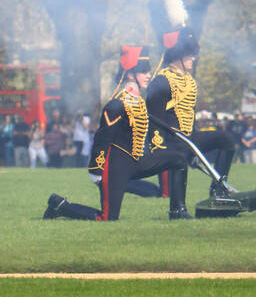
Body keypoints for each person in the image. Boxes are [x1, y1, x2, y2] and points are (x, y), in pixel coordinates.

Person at [42, 47, 186, 221]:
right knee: (108, 217)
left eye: (148, 71)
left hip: (137, 161)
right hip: (116, 166)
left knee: (179, 159)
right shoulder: (116, 105)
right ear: (131, 75)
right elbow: (102, 139)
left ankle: (178, 211)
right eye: (143, 71)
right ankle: (60, 206)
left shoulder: (138, 101)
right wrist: (96, 169)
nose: (148, 75)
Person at [146, 23, 235, 218]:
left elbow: (188, 115)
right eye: (190, 54)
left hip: (189, 136)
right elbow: (153, 117)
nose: (194, 58)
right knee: (179, 160)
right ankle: (177, 210)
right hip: (170, 141)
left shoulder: (189, 81)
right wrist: (167, 142)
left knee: (226, 141)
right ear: (178, 54)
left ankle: (217, 189)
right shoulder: (161, 81)